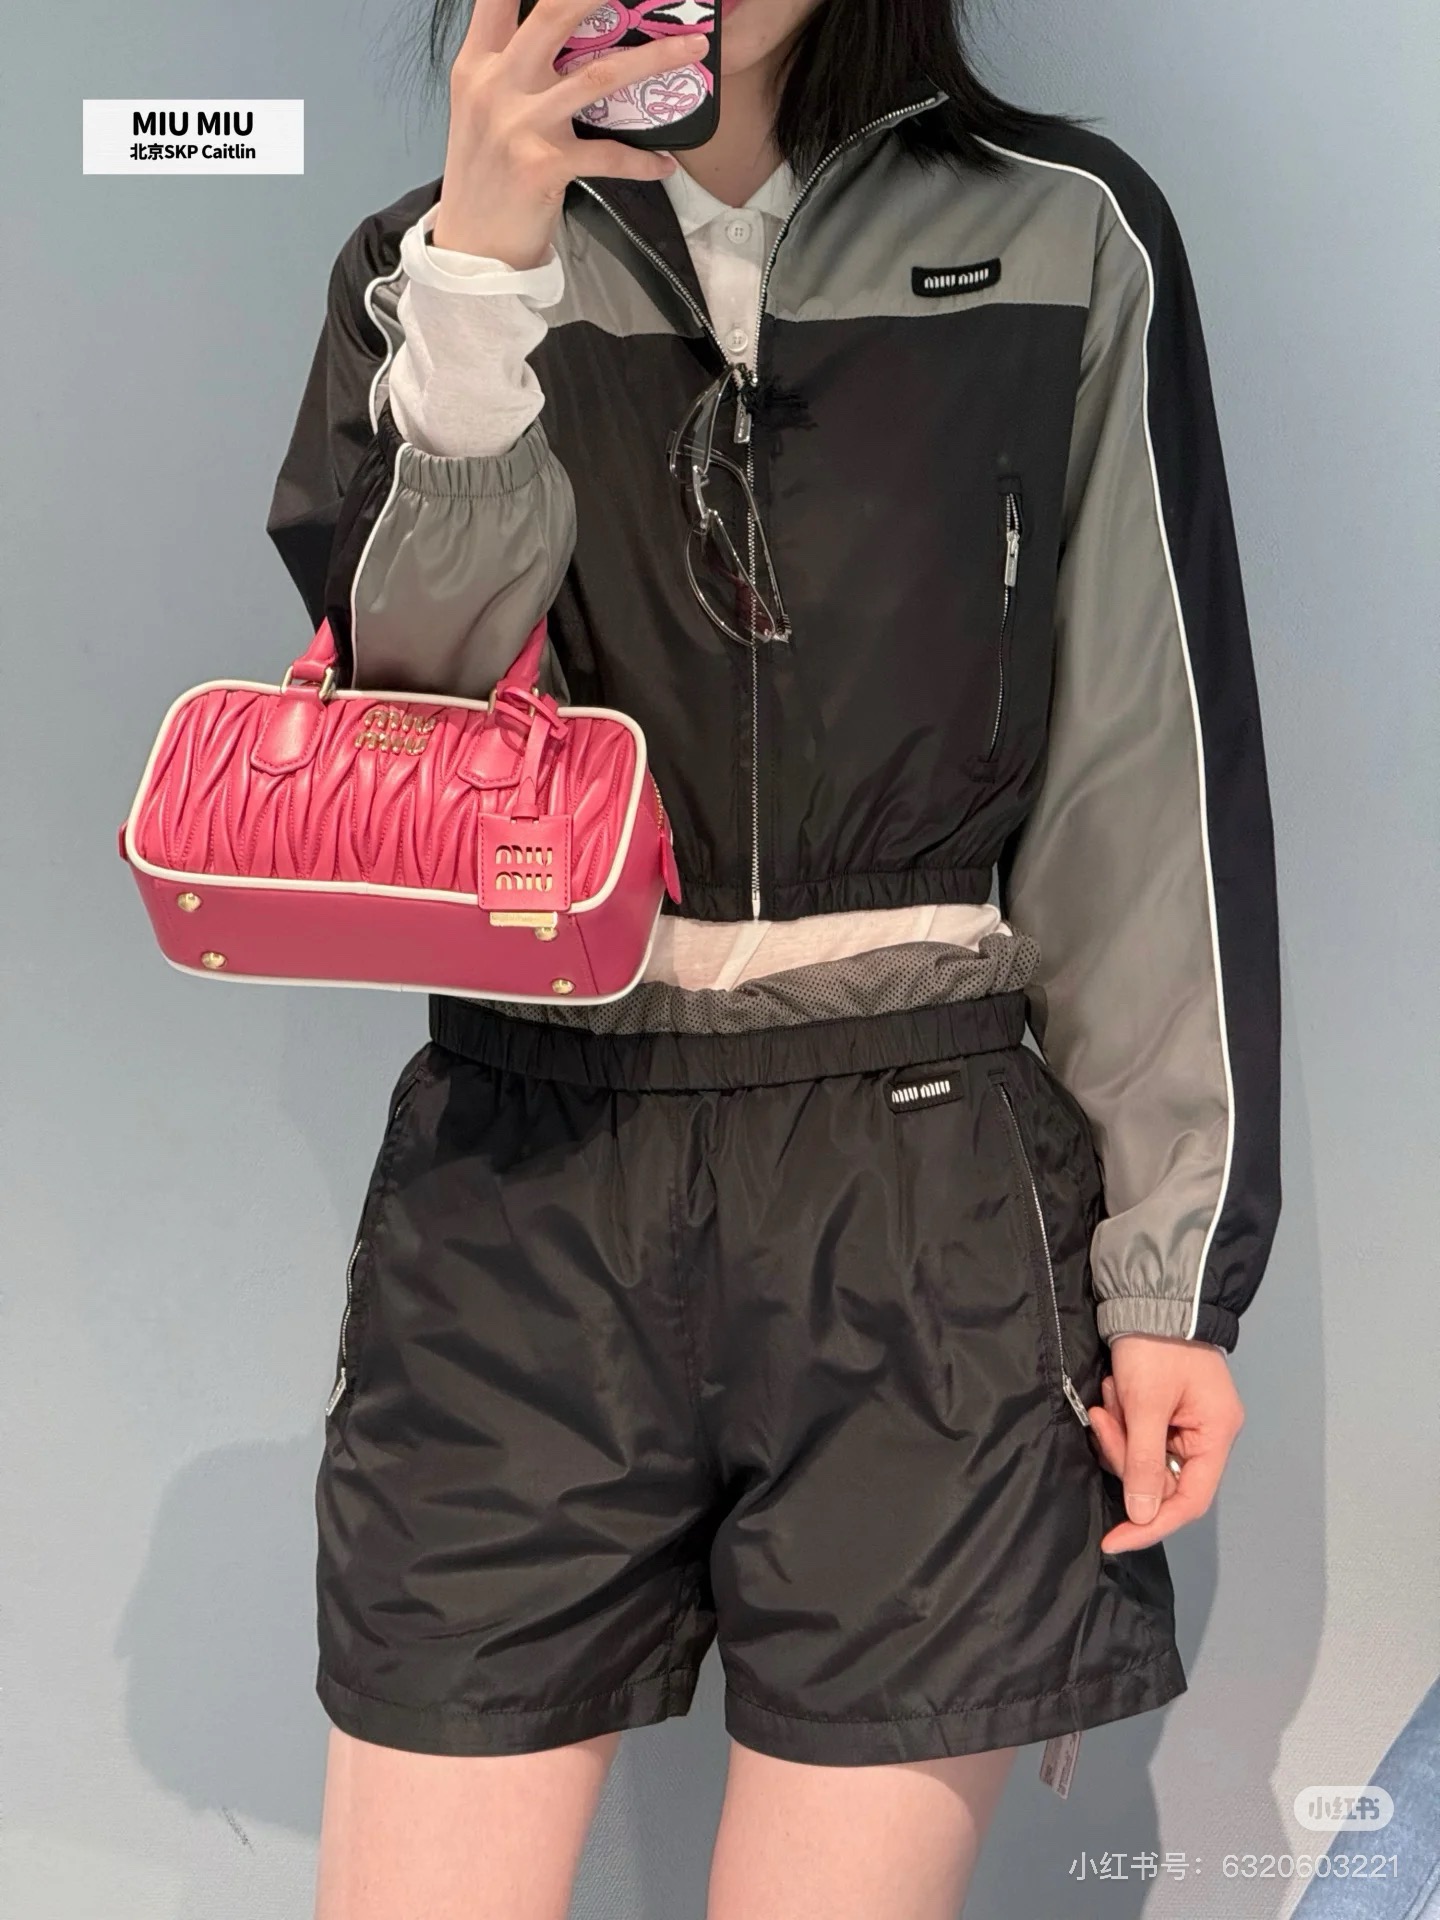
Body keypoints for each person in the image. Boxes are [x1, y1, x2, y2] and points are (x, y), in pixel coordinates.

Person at [264, 1, 1282, 1913]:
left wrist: (1171, 1270)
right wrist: (482, 272)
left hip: (923, 1195)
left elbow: (1144, 780)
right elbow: (408, 730)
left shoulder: (1066, 229)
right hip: (525, 1181)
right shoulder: (421, 266)